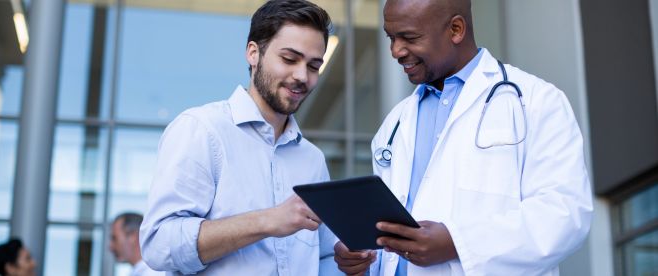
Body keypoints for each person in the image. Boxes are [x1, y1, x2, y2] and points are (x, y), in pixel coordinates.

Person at [333, 0, 593, 275]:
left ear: (456, 29)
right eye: (391, 38)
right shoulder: (395, 124)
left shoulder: (536, 102)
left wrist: (457, 244)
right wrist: (363, 256)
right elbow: (389, 231)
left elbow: (564, 215)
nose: (396, 51)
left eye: (409, 37)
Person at [139, 1, 337, 275]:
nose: (302, 76)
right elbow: (159, 244)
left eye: (314, 66)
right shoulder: (202, 130)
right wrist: (267, 221)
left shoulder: (312, 159)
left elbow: (325, 256)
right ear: (253, 53)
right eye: (289, 59)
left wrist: (347, 261)